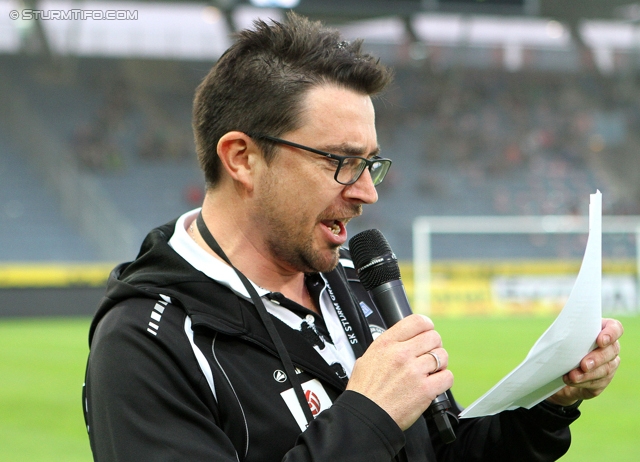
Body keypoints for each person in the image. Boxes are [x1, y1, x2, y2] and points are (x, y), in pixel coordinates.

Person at [83, 12, 623, 461]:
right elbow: (372, 421)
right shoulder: (146, 341)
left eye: (371, 164)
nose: (367, 192)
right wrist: (368, 415)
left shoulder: (355, 286)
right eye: (340, 161)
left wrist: (549, 404)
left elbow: (445, 453)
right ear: (242, 158)